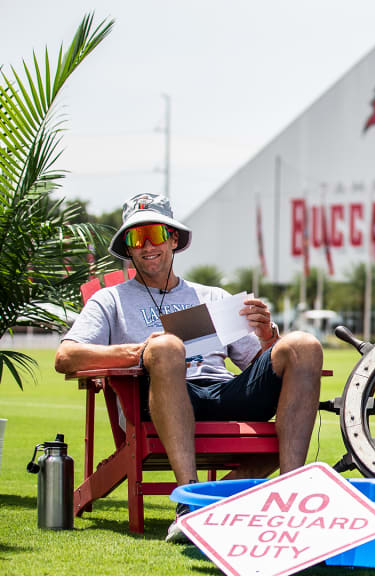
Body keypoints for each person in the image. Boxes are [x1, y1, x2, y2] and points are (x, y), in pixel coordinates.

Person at [54, 193, 324, 543]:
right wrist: (138, 351)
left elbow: (254, 367)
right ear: (129, 248)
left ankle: (293, 501)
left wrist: (267, 336)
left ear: (174, 239)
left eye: (156, 234)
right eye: (137, 238)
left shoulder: (211, 297)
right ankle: (189, 503)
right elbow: (65, 357)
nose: (148, 245)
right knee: (166, 346)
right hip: (157, 400)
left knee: (304, 344)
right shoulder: (111, 300)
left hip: (223, 392)